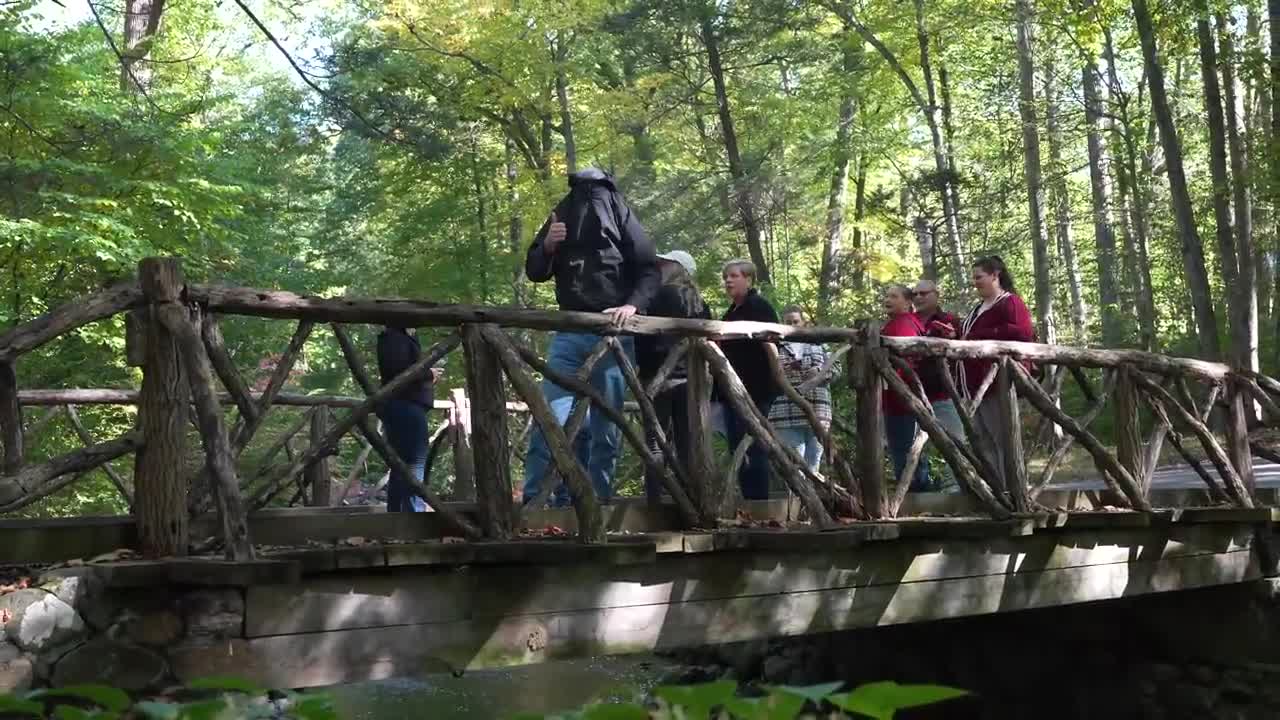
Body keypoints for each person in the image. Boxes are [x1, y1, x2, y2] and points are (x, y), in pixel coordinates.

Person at [522, 168, 660, 507]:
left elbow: (649, 269)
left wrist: (632, 305)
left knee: (607, 427)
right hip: (570, 334)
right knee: (551, 419)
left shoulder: (620, 214)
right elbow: (535, 270)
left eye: (595, 190)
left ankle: (598, 503)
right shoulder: (564, 212)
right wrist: (549, 247)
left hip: (613, 337)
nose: (590, 198)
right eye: (584, 190)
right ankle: (536, 502)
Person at [635, 250, 710, 504]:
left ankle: (655, 500)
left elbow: (646, 336)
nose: (660, 265)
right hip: (689, 380)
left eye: (666, 262)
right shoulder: (700, 302)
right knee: (687, 444)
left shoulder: (662, 294)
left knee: (656, 443)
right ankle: (691, 498)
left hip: (659, 377)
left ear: (679, 268)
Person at [959, 256, 1035, 485]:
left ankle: (1015, 491)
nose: (975, 282)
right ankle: (997, 490)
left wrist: (978, 337)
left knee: (1003, 439)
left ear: (995, 275)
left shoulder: (1010, 302)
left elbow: (1022, 333)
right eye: (974, 277)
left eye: (979, 277)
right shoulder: (977, 309)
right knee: (983, 441)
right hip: (974, 385)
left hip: (997, 382)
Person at [718, 259, 779, 501]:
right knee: (738, 449)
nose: (728, 281)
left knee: (754, 447)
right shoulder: (731, 312)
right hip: (732, 390)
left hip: (755, 390)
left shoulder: (759, 307)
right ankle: (748, 502)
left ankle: (760, 503)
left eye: (734, 276)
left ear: (749, 279)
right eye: (726, 277)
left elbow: (771, 345)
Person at [375, 324, 443, 512]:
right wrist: (429, 374)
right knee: (413, 464)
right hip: (406, 406)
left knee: (401, 464)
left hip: (404, 405)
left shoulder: (396, 337)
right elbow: (400, 371)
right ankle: (413, 516)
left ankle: (397, 517)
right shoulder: (395, 338)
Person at [767, 306, 832, 476]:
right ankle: (795, 500)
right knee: (794, 465)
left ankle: (812, 502)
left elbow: (836, 368)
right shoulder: (776, 346)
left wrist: (820, 372)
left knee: (814, 464)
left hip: (818, 409)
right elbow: (766, 374)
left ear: (804, 322)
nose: (792, 325)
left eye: (795, 321)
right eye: (788, 322)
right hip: (785, 410)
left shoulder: (819, 344)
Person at [912, 279, 963, 493]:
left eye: (924, 293)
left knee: (955, 443)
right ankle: (919, 491)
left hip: (944, 393)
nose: (919, 297)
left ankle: (954, 487)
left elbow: (967, 348)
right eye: (915, 294)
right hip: (911, 395)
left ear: (936, 295)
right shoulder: (907, 321)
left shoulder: (949, 320)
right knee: (913, 448)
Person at [881, 284, 930, 492]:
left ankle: (915, 495)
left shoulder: (903, 324)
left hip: (901, 399)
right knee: (906, 450)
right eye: (887, 296)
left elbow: (903, 360)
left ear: (908, 302)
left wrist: (889, 381)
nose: (888, 299)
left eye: (894, 296)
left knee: (905, 450)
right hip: (897, 400)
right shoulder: (898, 323)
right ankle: (915, 492)